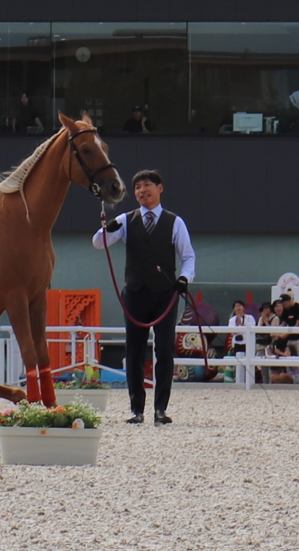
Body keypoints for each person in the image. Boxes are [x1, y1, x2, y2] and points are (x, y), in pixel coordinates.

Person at [92, 170, 195, 424]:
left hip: (164, 295)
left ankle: (160, 409)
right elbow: (98, 243)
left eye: (147, 185)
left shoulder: (175, 222)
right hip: (135, 293)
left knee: (164, 350)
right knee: (135, 350)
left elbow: (188, 257)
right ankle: (136, 409)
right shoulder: (126, 219)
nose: (141, 190)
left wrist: (184, 279)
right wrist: (109, 228)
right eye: (137, 187)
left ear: (160, 188)